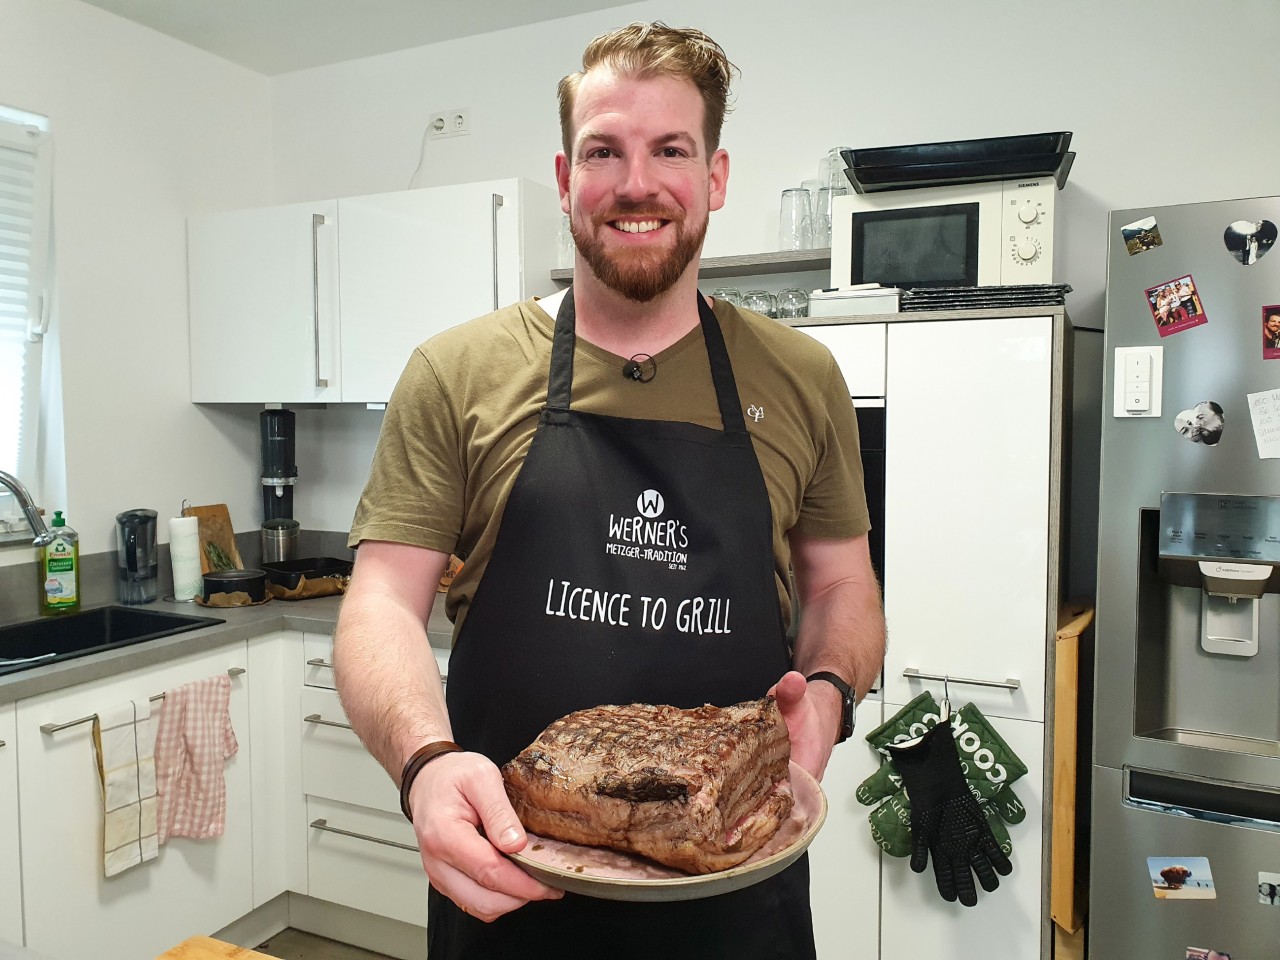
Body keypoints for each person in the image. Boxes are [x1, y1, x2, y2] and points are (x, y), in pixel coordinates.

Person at [333, 21, 885, 960]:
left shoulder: (800, 376)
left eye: (671, 149)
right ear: (564, 179)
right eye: (605, 151)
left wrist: (828, 693)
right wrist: (424, 764)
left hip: (736, 892)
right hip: (511, 881)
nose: (637, 184)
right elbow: (382, 599)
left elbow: (842, 585)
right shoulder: (457, 372)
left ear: (714, 177)